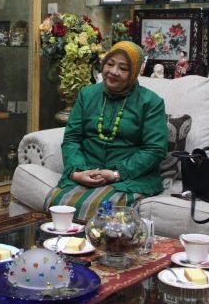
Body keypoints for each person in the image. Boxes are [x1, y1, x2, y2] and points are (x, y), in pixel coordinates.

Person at [45, 41, 168, 221]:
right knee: (58, 205)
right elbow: (72, 138)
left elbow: (155, 149)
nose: (113, 71)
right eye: (110, 64)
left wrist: (116, 174)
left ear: (134, 73)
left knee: (105, 211)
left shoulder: (151, 102)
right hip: (87, 172)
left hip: (127, 179)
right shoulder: (87, 94)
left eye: (123, 68)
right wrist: (77, 172)